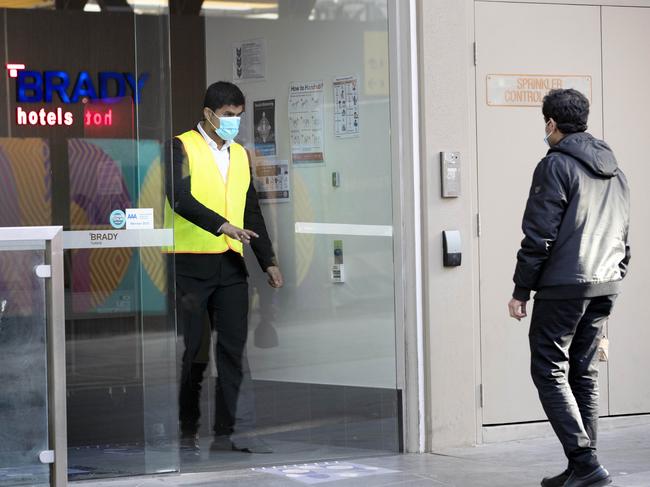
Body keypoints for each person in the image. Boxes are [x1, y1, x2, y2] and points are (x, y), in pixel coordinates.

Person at [507, 89, 630, 487]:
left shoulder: (555, 165)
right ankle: (583, 466)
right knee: (583, 372)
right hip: (604, 282)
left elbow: (539, 235)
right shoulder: (614, 169)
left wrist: (521, 290)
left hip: (565, 285)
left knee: (548, 368)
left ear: (550, 123)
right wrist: (618, 271)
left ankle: (585, 461)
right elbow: (623, 231)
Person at [165, 81, 283, 456]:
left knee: (233, 351)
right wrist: (221, 225)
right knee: (195, 354)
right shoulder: (180, 147)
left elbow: (251, 211)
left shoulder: (241, 155)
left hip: (231, 264)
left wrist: (268, 261)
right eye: (228, 115)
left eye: (238, 116)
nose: (234, 122)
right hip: (189, 263)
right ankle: (187, 433)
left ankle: (232, 434)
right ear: (209, 114)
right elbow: (179, 199)